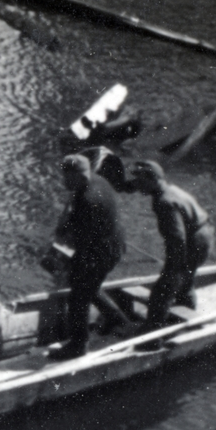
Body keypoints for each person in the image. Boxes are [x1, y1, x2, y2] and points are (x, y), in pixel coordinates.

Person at [51, 153, 130, 358]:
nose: (64, 181)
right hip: (112, 243)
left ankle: (78, 345)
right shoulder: (95, 181)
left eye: (67, 177)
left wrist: (64, 261)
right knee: (88, 286)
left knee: (78, 295)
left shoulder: (89, 199)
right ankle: (116, 319)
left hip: (101, 251)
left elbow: (81, 243)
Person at [127, 160, 214, 328]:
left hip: (195, 241)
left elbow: (177, 238)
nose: (137, 186)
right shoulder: (171, 189)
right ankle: (186, 320)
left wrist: (172, 267)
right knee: (185, 280)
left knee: (162, 290)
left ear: (151, 180)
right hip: (204, 234)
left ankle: (152, 335)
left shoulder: (164, 202)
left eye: (140, 181)